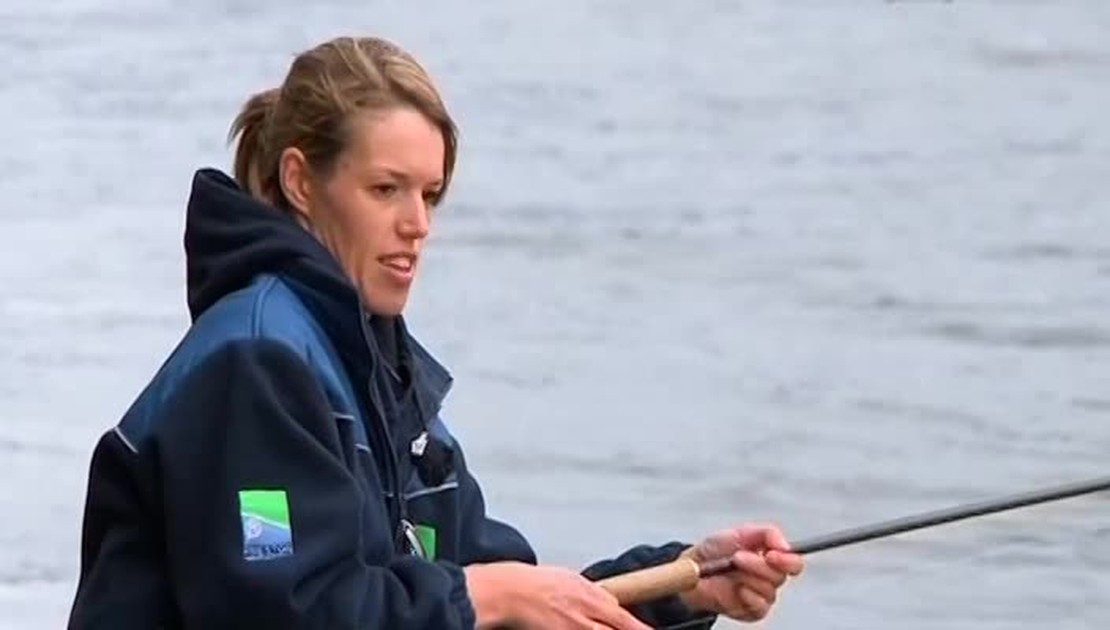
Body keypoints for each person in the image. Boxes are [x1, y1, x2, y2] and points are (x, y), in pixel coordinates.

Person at [66, 35, 804, 629]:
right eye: (386, 189)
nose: (417, 224)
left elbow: (504, 599)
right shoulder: (256, 363)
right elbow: (283, 610)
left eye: (431, 194)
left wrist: (683, 582)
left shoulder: (388, 386)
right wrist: (491, 596)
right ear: (300, 182)